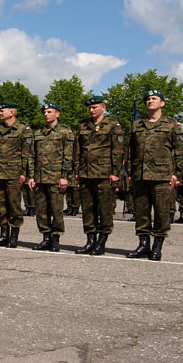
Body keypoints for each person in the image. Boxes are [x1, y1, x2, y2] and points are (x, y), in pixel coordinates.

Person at [125, 90, 183, 260]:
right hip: (140, 176)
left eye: (154, 98)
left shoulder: (171, 125)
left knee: (161, 213)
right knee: (141, 212)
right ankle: (143, 245)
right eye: (147, 99)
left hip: (162, 176)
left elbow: (181, 152)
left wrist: (177, 175)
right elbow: (130, 151)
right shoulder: (137, 125)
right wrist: (130, 172)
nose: (150, 101)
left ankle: (157, 246)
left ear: (162, 103)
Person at [73, 96, 123, 256]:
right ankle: (90, 241)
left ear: (103, 107)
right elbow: (77, 151)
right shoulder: (83, 126)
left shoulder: (113, 125)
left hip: (104, 174)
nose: (91, 110)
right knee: (88, 209)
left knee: (104, 209)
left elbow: (118, 151)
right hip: (86, 174)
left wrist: (115, 173)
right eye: (90, 108)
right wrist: (77, 172)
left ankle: (102, 242)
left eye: (95, 107)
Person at [27, 103, 74, 252]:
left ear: (57, 114)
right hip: (40, 178)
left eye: (49, 111)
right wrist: (31, 176)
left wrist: (64, 176)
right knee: (41, 211)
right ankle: (45, 238)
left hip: (55, 178)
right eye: (44, 112)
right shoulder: (38, 133)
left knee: (56, 210)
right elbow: (32, 156)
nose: (46, 114)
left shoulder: (65, 132)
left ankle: (56, 239)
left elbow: (68, 156)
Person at [0, 103, 33, 248]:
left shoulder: (23, 129)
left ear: (12, 112)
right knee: (0, 206)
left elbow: (27, 154)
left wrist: (24, 174)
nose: (0, 113)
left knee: (14, 205)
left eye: (2, 111)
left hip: (14, 173)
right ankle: (3, 234)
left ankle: (14, 236)